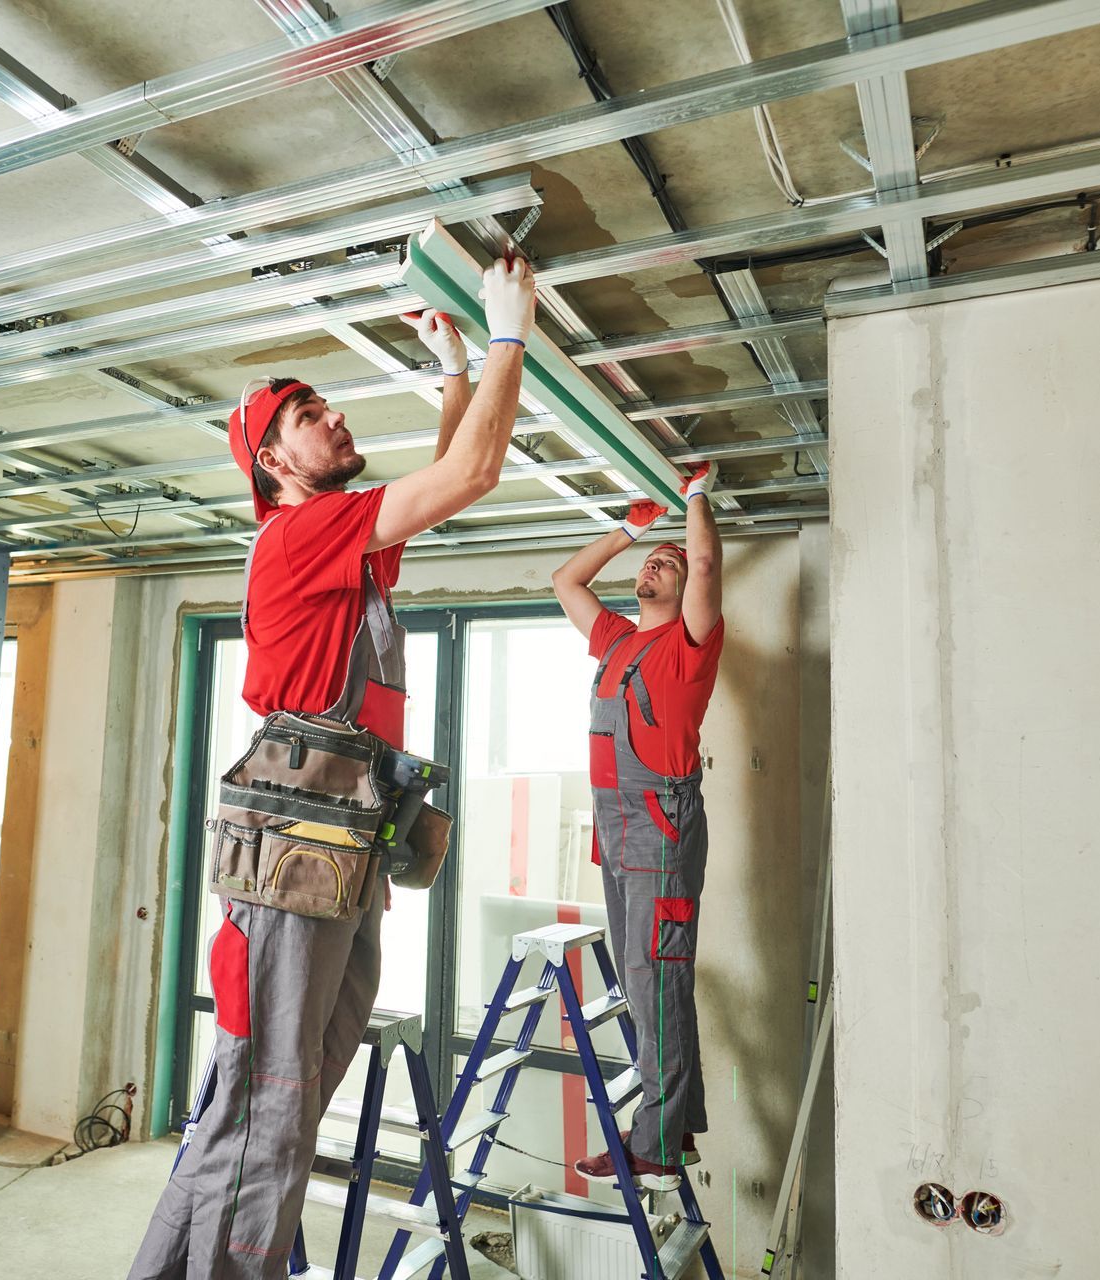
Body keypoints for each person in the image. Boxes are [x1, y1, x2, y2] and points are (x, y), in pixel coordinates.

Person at [129, 252, 538, 1279]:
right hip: (298, 857)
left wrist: (452, 374)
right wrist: (505, 333)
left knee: (289, 1087)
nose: (337, 419)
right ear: (273, 460)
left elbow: (438, 492)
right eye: (313, 413)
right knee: (268, 1101)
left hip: (338, 853)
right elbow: (472, 476)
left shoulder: (341, 548)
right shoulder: (299, 537)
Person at [549, 463, 723, 1192]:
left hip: (660, 826)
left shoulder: (690, 644)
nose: (658, 564)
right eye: (653, 562)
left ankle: (656, 1140)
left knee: (658, 984)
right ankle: (671, 1122)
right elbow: (566, 582)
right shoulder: (619, 639)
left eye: (668, 564)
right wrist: (627, 531)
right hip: (619, 829)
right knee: (644, 981)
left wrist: (692, 500)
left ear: (688, 591)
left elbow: (707, 557)